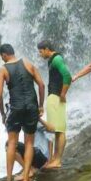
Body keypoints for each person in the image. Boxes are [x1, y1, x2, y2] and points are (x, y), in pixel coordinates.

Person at [0, 43, 46, 181]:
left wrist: (3, 114)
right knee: (29, 142)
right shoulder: (28, 63)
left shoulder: (3, 69)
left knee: (12, 142)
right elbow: (41, 85)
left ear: (4, 55)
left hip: (16, 107)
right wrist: (41, 105)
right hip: (31, 106)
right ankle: (26, 179)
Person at [36, 40, 69, 170]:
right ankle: (55, 159)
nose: (40, 54)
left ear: (46, 49)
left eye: (40, 51)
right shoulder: (53, 60)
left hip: (56, 97)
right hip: (54, 96)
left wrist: (63, 94)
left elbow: (67, 76)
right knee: (56, 131)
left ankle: (58, 160)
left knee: (58, 130)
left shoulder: (57, 59)